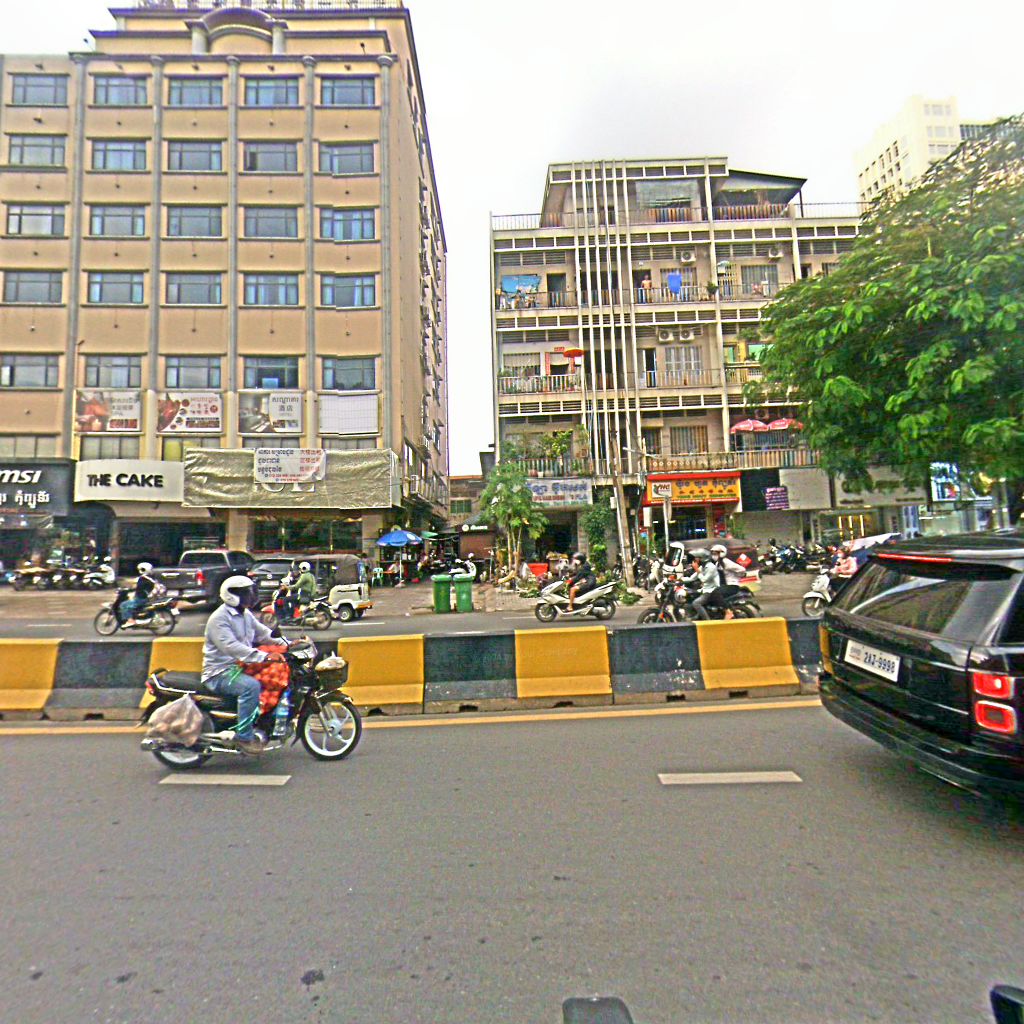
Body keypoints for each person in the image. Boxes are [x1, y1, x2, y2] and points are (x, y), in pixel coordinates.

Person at [202, 575, 286, 755]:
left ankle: (263, 723)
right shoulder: (219, 618)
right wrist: (264, 656)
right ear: (232, 595)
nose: (250, 597)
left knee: (271, 679)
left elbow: (263, 634)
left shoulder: (245, 614)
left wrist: (287, 643)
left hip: (239, 667)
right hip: (220, 673)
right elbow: (231, 647)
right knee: (251, 687)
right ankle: (244, 737)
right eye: (246, 593)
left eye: (250, 593)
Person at [706, 543, 747, 620]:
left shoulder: (726, 562)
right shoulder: (717, 563)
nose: (713, 555)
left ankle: (728, 611)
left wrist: (737, 576)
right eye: (713, 553)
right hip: (724, 585)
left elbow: (742, 569)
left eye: (715, 553)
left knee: (715, 593)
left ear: (722, 553)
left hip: (731, 586)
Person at [684, 550, 720, 619]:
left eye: (696, 559)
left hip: (712, 590)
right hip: (704, 589)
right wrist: (678, 579)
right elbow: (691, 578)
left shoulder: (711, 567)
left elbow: (704, 580)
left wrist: (697, 569)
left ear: (702, 558)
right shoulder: (702, 567)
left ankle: (707, 621)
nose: (694, 561)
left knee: (696, 603)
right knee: (690, 595)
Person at [121, 561, 158, 627]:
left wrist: (128, 589)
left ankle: (130, 621)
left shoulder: (142, 579)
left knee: (123, 605)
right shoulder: (151, 578)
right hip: (148, 598)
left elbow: (137, 588)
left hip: (141, 599)